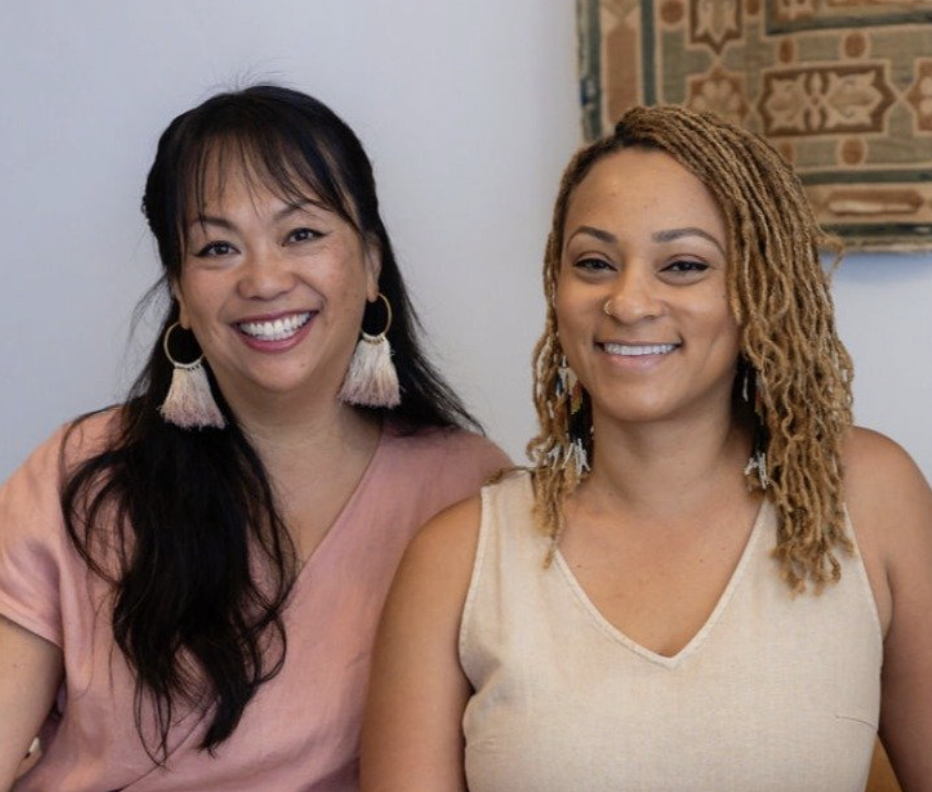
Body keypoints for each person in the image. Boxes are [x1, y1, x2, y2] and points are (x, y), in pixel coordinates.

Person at [360, 107, 932, 791]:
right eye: (594, 263)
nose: (628, 303)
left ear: (760, 290)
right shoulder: (457, 559)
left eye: (683, 265)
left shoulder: (867, 498)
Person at [0, 85, 509, 792]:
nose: (264, 280)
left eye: (301, 234)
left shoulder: (468, 492)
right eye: (217, 247)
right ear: (181, 292)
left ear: (370, 263)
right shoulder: (82, 472)